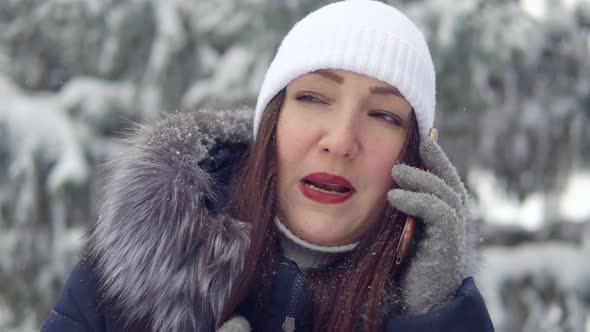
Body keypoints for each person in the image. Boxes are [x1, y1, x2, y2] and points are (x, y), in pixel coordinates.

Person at [41, 0, 495, 331]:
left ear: (416, 157)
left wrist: (436, 316)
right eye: (313, 98)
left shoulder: (435, 307)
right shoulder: (133, 268)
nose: (339, 142)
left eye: (383, 116)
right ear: (271, 124)